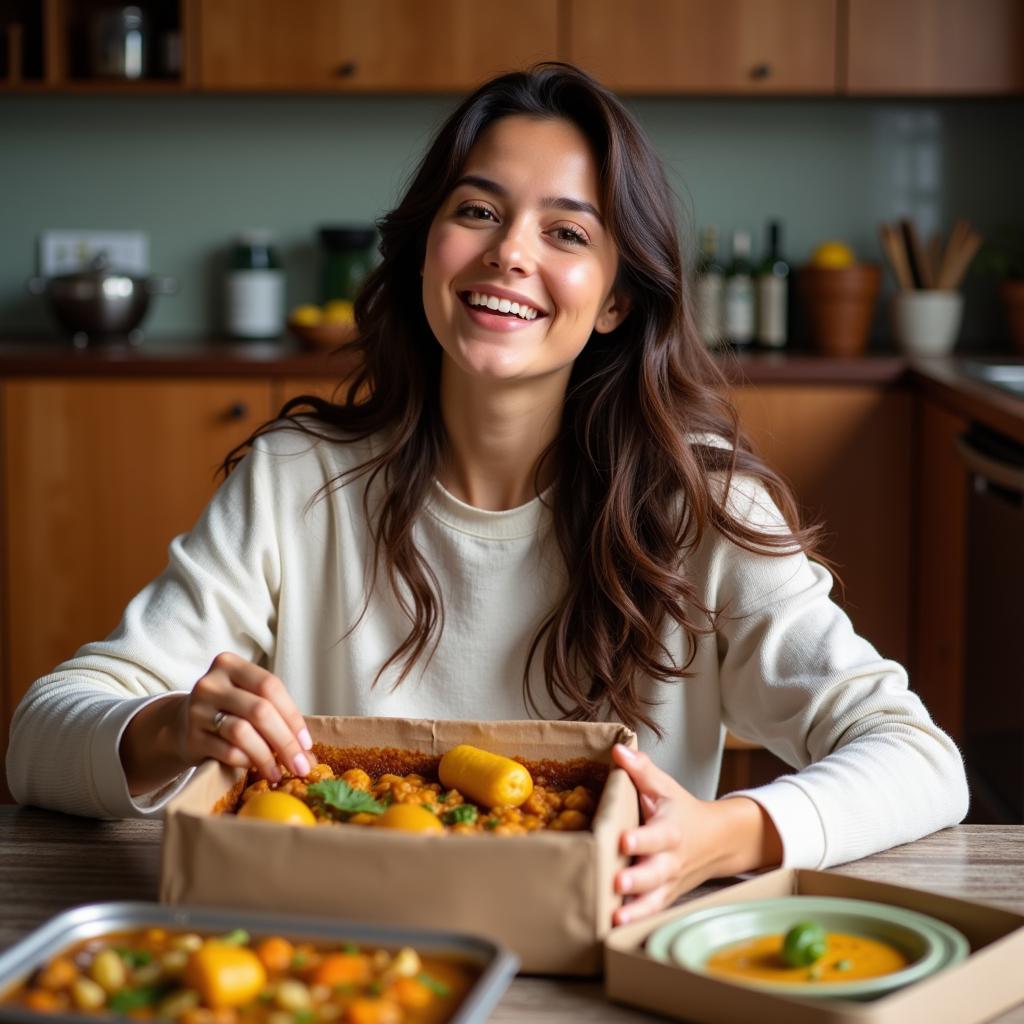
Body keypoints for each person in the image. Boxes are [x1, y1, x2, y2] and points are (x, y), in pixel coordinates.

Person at [7, 62, 967, 926]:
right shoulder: (296, 480)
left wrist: (728, 834)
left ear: (618, 299)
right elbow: (39, 737)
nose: (510, 253)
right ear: (427, 246)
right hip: (348, 963)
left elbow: (919, 758)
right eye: (477, 211)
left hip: (609, 975)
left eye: (565, 231)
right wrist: (171, 726)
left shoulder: (700, 505)